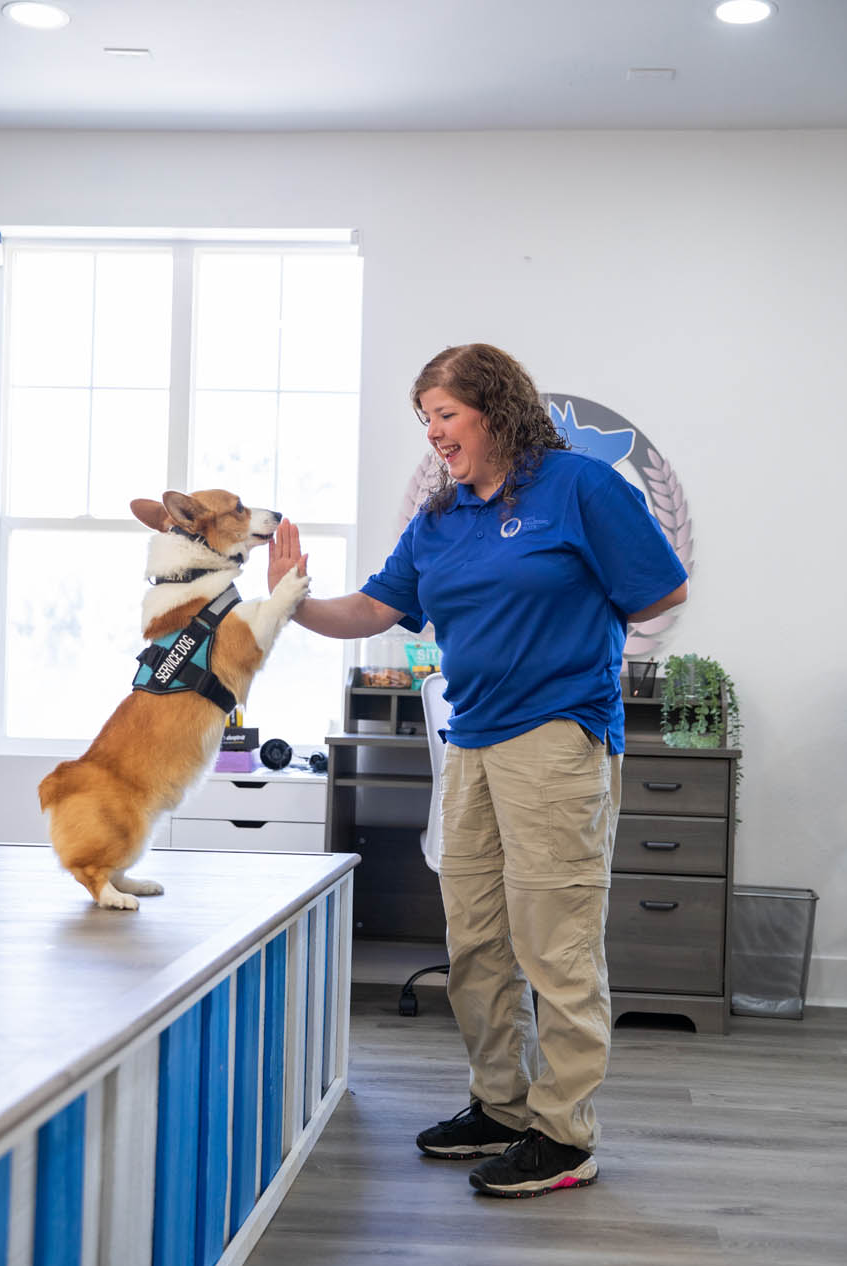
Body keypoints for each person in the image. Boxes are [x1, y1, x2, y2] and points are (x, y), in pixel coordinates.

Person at [268, 343, 688, 1198]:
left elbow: (656, 592)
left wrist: (567, 632)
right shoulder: (440, 517)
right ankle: (499, 1106)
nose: (434, 434)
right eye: (424, 418)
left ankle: (563, 1134)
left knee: (555, 944)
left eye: (446, 414)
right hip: (472, 743)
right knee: (476, 942)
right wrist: (293, 600)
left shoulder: (579, 488)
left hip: (556, 740)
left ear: (494, 409)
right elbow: (376, 608)